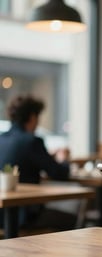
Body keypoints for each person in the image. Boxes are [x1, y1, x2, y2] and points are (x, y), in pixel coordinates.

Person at [0, 94, 73, 229]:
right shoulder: (32, 141)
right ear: (33, 117)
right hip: (25, 218)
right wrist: (63, 159)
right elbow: (59, 173)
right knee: (74, 220)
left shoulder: (2, 139)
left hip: (1, 217)